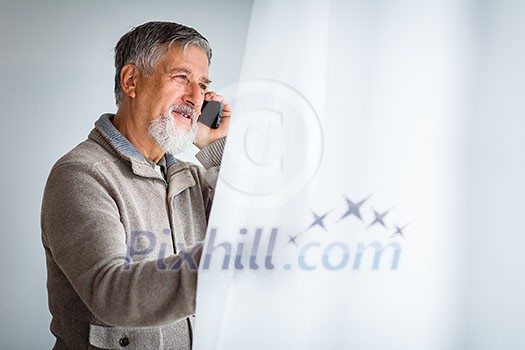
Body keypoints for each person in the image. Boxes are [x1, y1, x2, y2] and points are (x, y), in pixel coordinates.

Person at [41, 21, 230, 349]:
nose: (196, 98)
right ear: (131, 81)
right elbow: (110, 292)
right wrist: (222, 262)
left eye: (203, 85)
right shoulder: (80, 174)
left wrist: (215, 146)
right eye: (182, 78)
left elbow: (261, 223)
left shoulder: (192, 179)